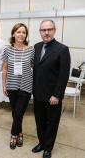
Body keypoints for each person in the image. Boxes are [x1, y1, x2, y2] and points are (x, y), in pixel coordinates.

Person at [32, 19, 70, 158]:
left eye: (49, 30)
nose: (46, 33)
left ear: (54, 30)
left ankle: (48, 148)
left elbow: (63, 75)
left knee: (52, 123)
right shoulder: (36, 47)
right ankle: (41, 143)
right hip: (37, 93)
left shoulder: (62, 49)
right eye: (43, 30)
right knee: (39, 121)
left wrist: (57, 95)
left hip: (52, 96)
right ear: (40, 32)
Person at [2, 23, 34, 149]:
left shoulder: (31, 50)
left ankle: (13, 135)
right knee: (16, 113)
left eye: (24, 32)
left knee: (19, 112)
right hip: (11, 86)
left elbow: (34, 67)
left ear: (26, 35)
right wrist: (4, 86)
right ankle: (20, 133)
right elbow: (5, 69)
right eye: (19, 32)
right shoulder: (7, 50)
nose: (21, 34)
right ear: (13, 34)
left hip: (26, 86)